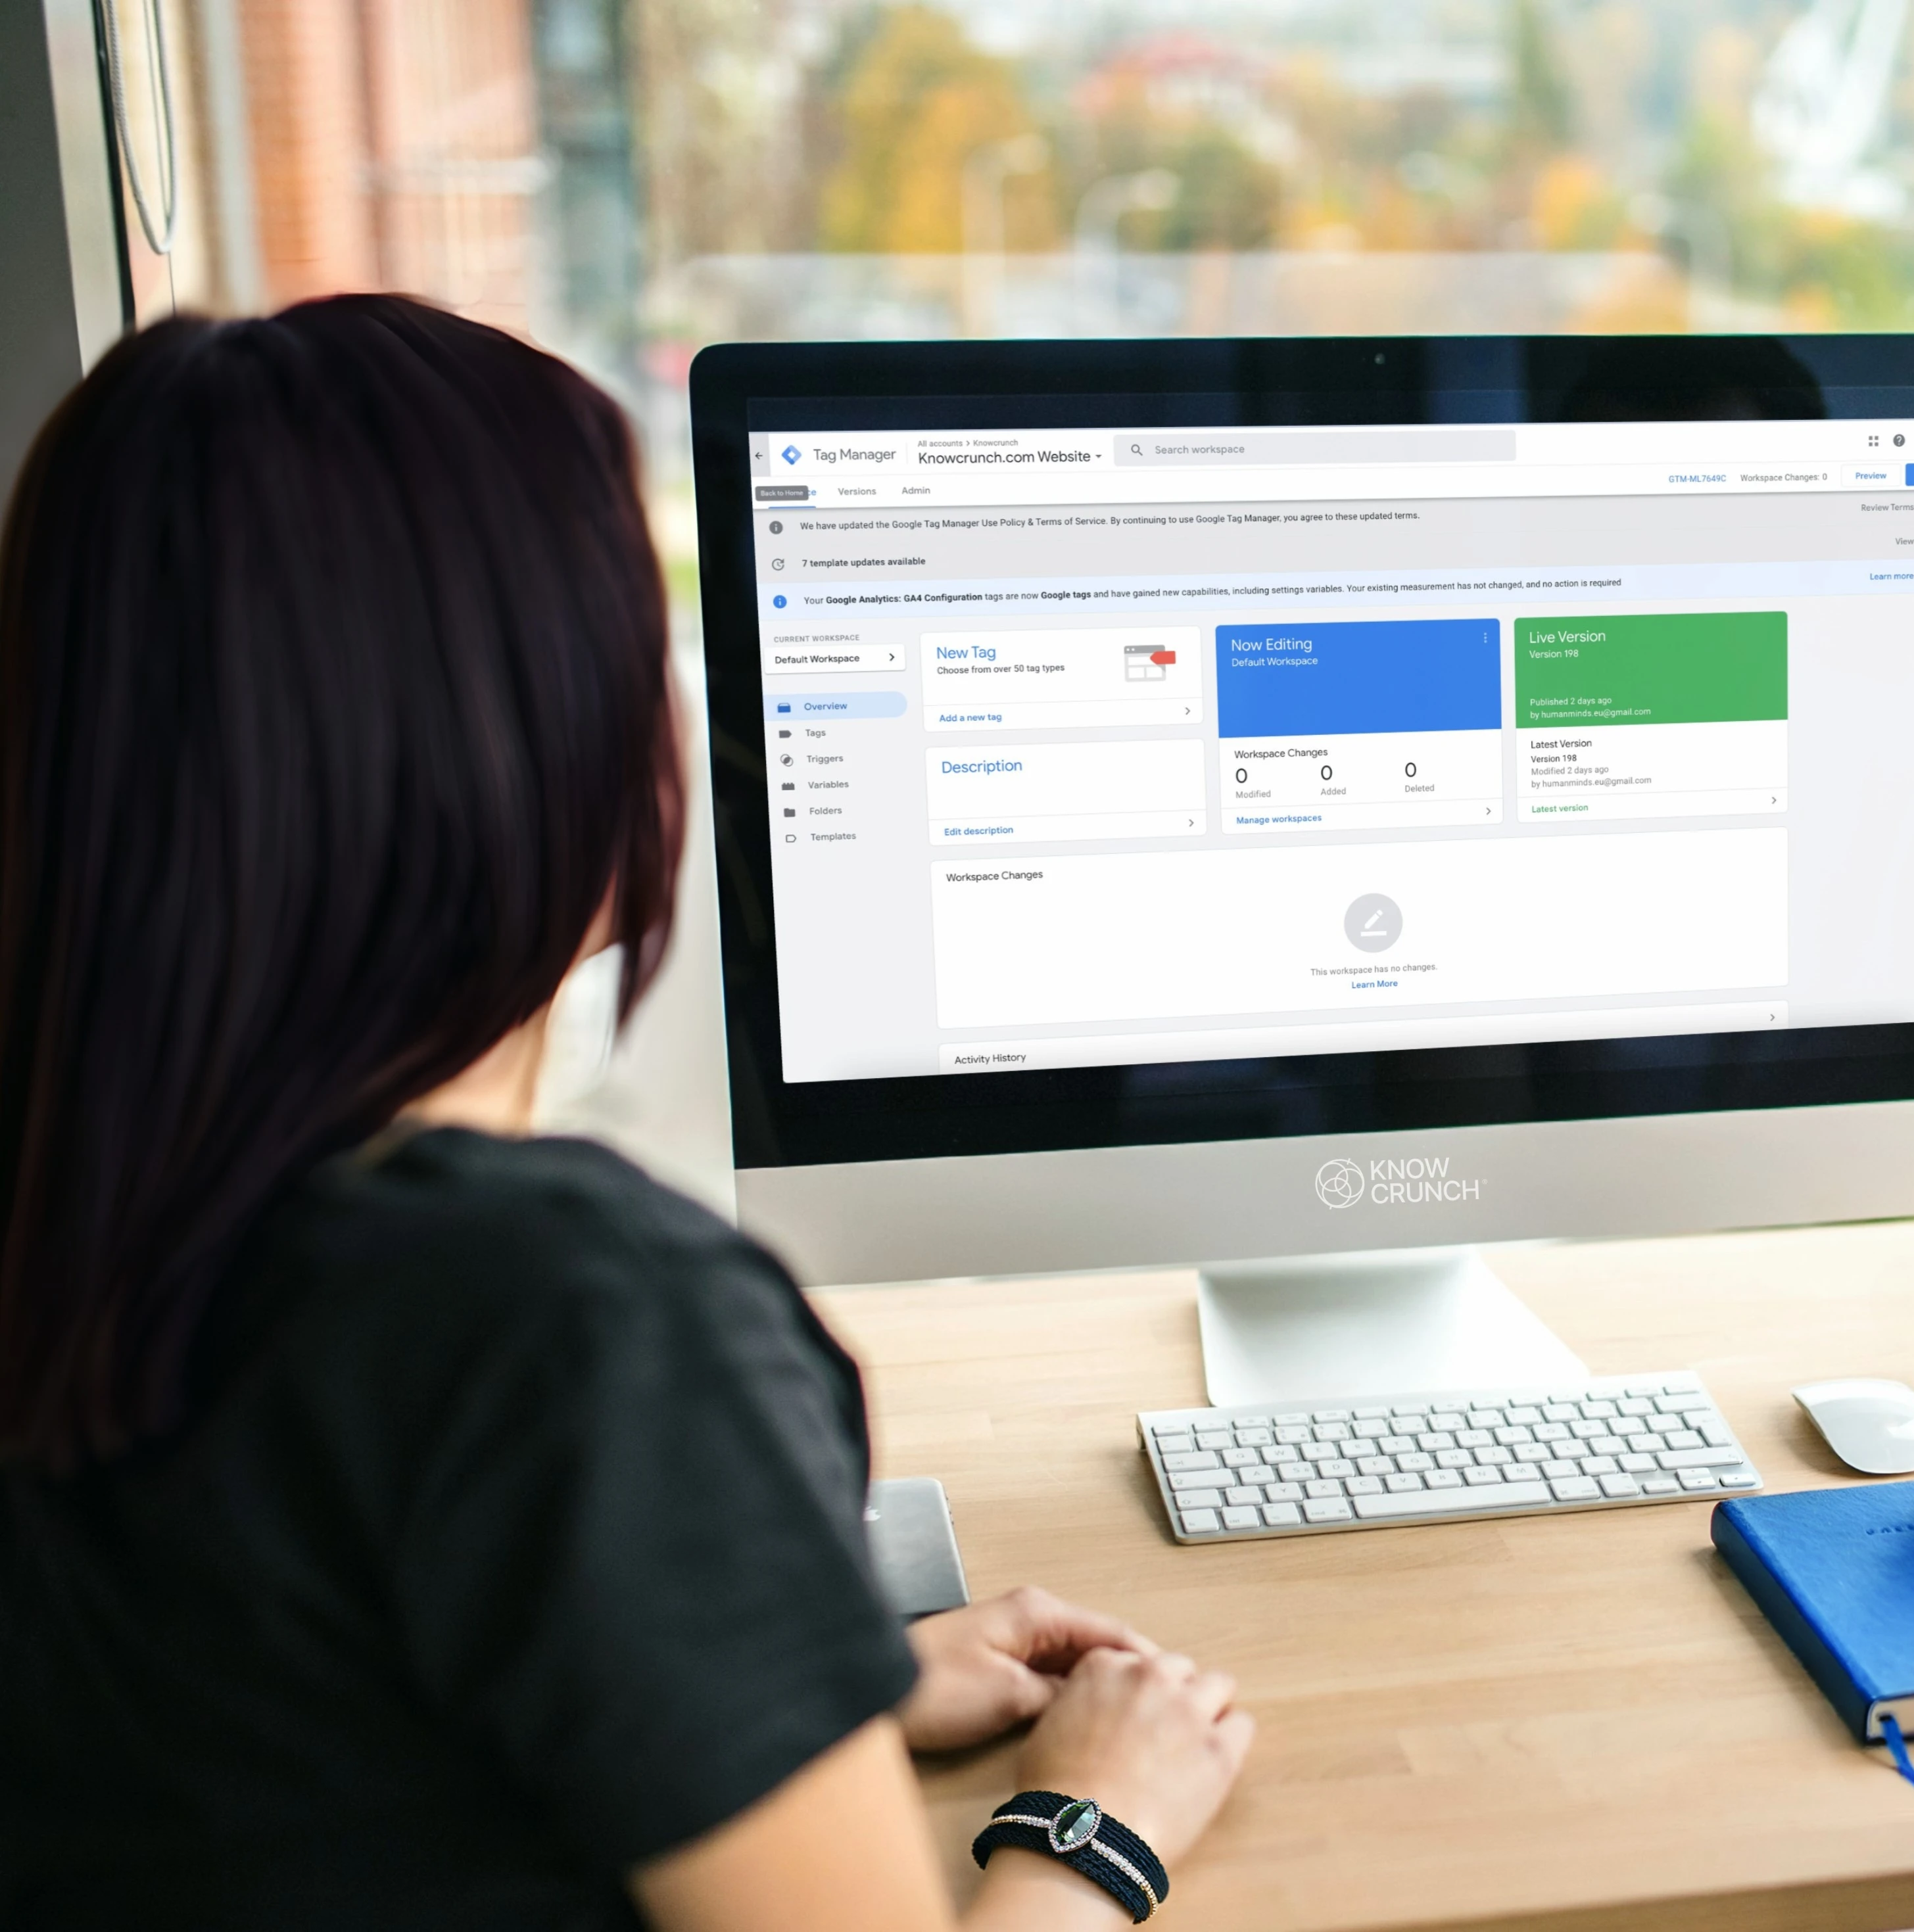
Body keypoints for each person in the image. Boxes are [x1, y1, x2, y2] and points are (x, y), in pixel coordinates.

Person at [0, 296, 1249, 1930]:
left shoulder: (95, 1225)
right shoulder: (565, 1317)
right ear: (536, 741)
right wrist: (1096, 1821)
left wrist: (788, 1685)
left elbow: (312, 1762)